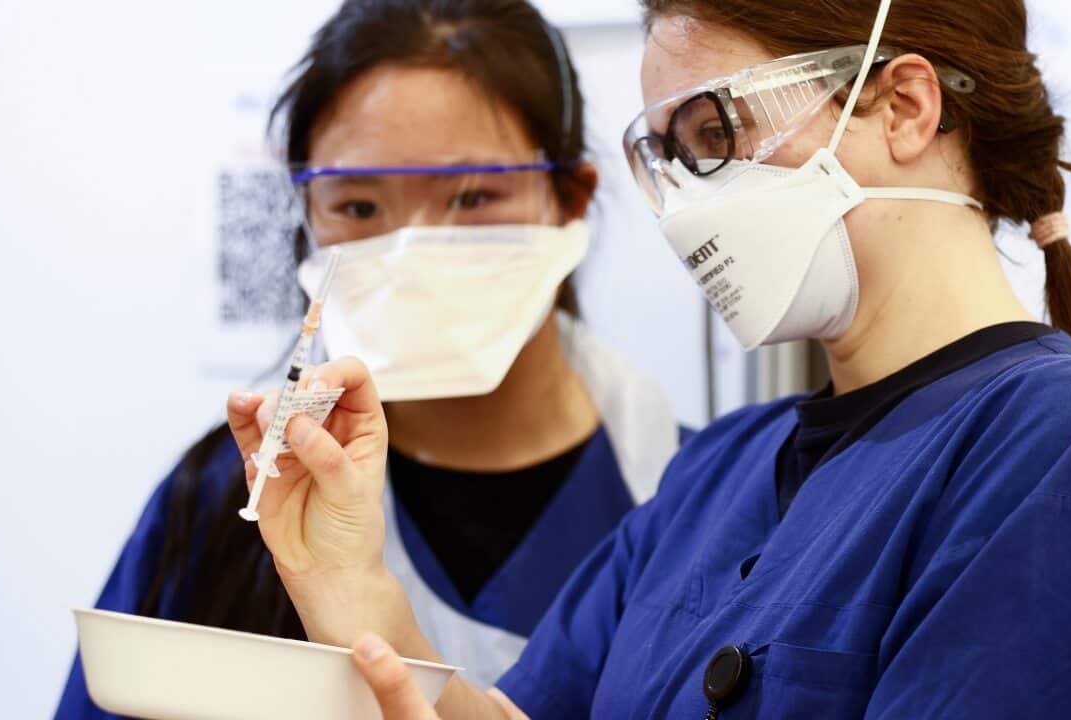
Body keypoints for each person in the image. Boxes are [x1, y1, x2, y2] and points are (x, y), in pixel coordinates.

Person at [228, 0, 1071, 717]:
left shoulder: (1051, 443)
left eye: (713, 135)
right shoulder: (719, 469)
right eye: (662, 156)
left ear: (903, 106)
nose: (683, 206)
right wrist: (356, 593)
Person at [55, 0, 690, 716]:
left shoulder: (700, 503)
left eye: (473, 196)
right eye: (359, 208)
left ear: (570, 198)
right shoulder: (229, 501)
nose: (410, 249)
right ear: (308, 218)